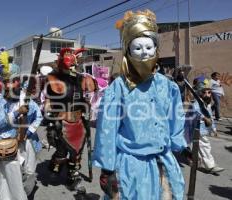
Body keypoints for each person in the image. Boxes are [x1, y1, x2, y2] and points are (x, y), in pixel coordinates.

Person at [93, 10, 191, 199]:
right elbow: (107, 129)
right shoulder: (118, 88)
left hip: (163, 162)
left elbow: (175, 120)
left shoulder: (168, 86)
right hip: (131, 166)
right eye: (138, 48)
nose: (144, 52)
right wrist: (107, 167)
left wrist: (181, 146)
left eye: (149, 47)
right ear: (128, 51)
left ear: (156, 49)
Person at [44, 48, 97, 193]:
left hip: (79, 122)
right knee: (61, 153)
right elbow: (48, 101)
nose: (73, 68)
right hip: (60, 122)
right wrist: (49, 119)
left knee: (76, 153)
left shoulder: (81, 78)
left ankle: (73, 178)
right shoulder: (52, 78)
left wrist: (87, 105)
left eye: (74, 65)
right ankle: (55, 168)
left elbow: (89, 95)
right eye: (70, 65)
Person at [0, 76, 43, 200]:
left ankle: (25, 191)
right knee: (10, 175)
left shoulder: (27, 101)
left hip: (27, 142)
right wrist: (17, 113)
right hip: (7, 143)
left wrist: (30, 131)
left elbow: (38, 116)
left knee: (30, 171)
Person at [185, 76, 225, 173]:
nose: (207, 94)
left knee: (197, 147)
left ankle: (195, 162)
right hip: (196, 129)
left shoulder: (208, 104)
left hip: (201, 130)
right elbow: (195, 113)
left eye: (209, 92)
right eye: (204, 92)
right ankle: (210, 166)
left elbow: (210, 116)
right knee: (205, 146)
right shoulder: (195, 104)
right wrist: (203, 117)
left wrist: (214, 129)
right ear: (198, 92)